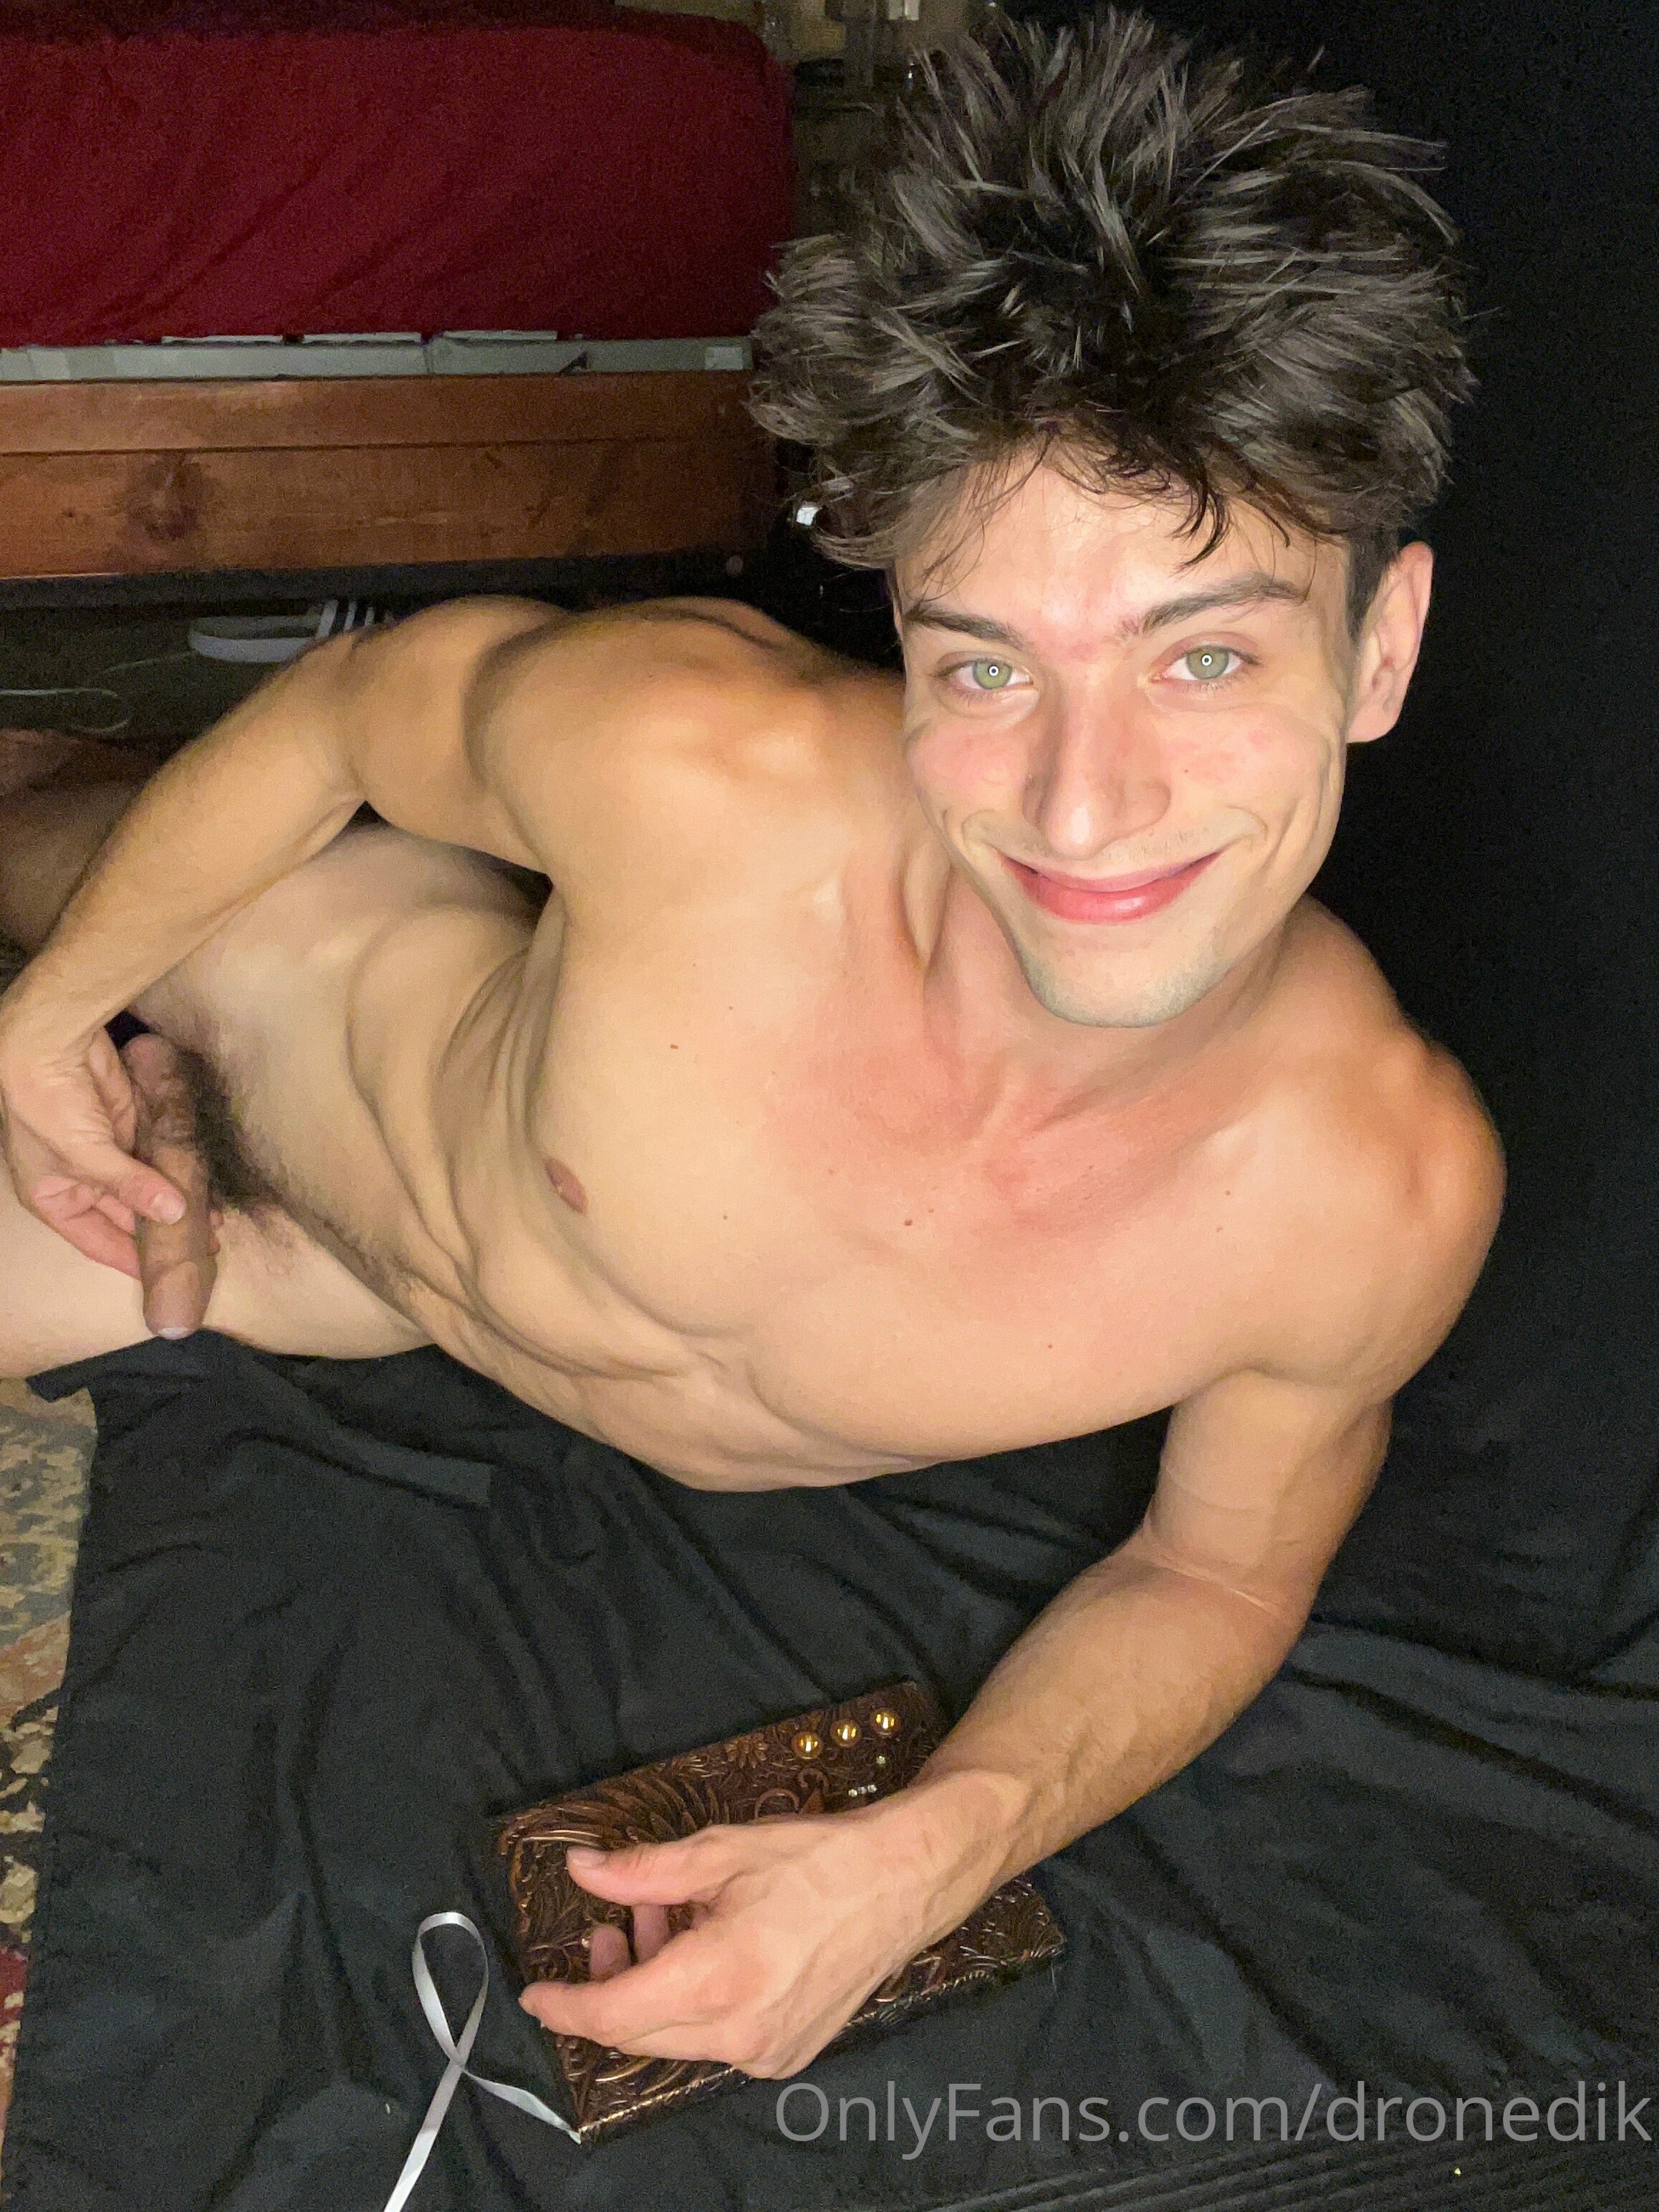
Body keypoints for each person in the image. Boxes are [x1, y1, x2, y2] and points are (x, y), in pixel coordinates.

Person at [0, 15, 1501, 2082]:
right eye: (986, 668)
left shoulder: (1366, 1202)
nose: (1082, 807)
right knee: (37, 818)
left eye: (1208, 654)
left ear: (1381, 647)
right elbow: (342, 724)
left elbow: (1216, 1575)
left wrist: (931, 1854)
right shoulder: (699, 766)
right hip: (285, 987)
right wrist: (49, 1016)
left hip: (315, 1282)